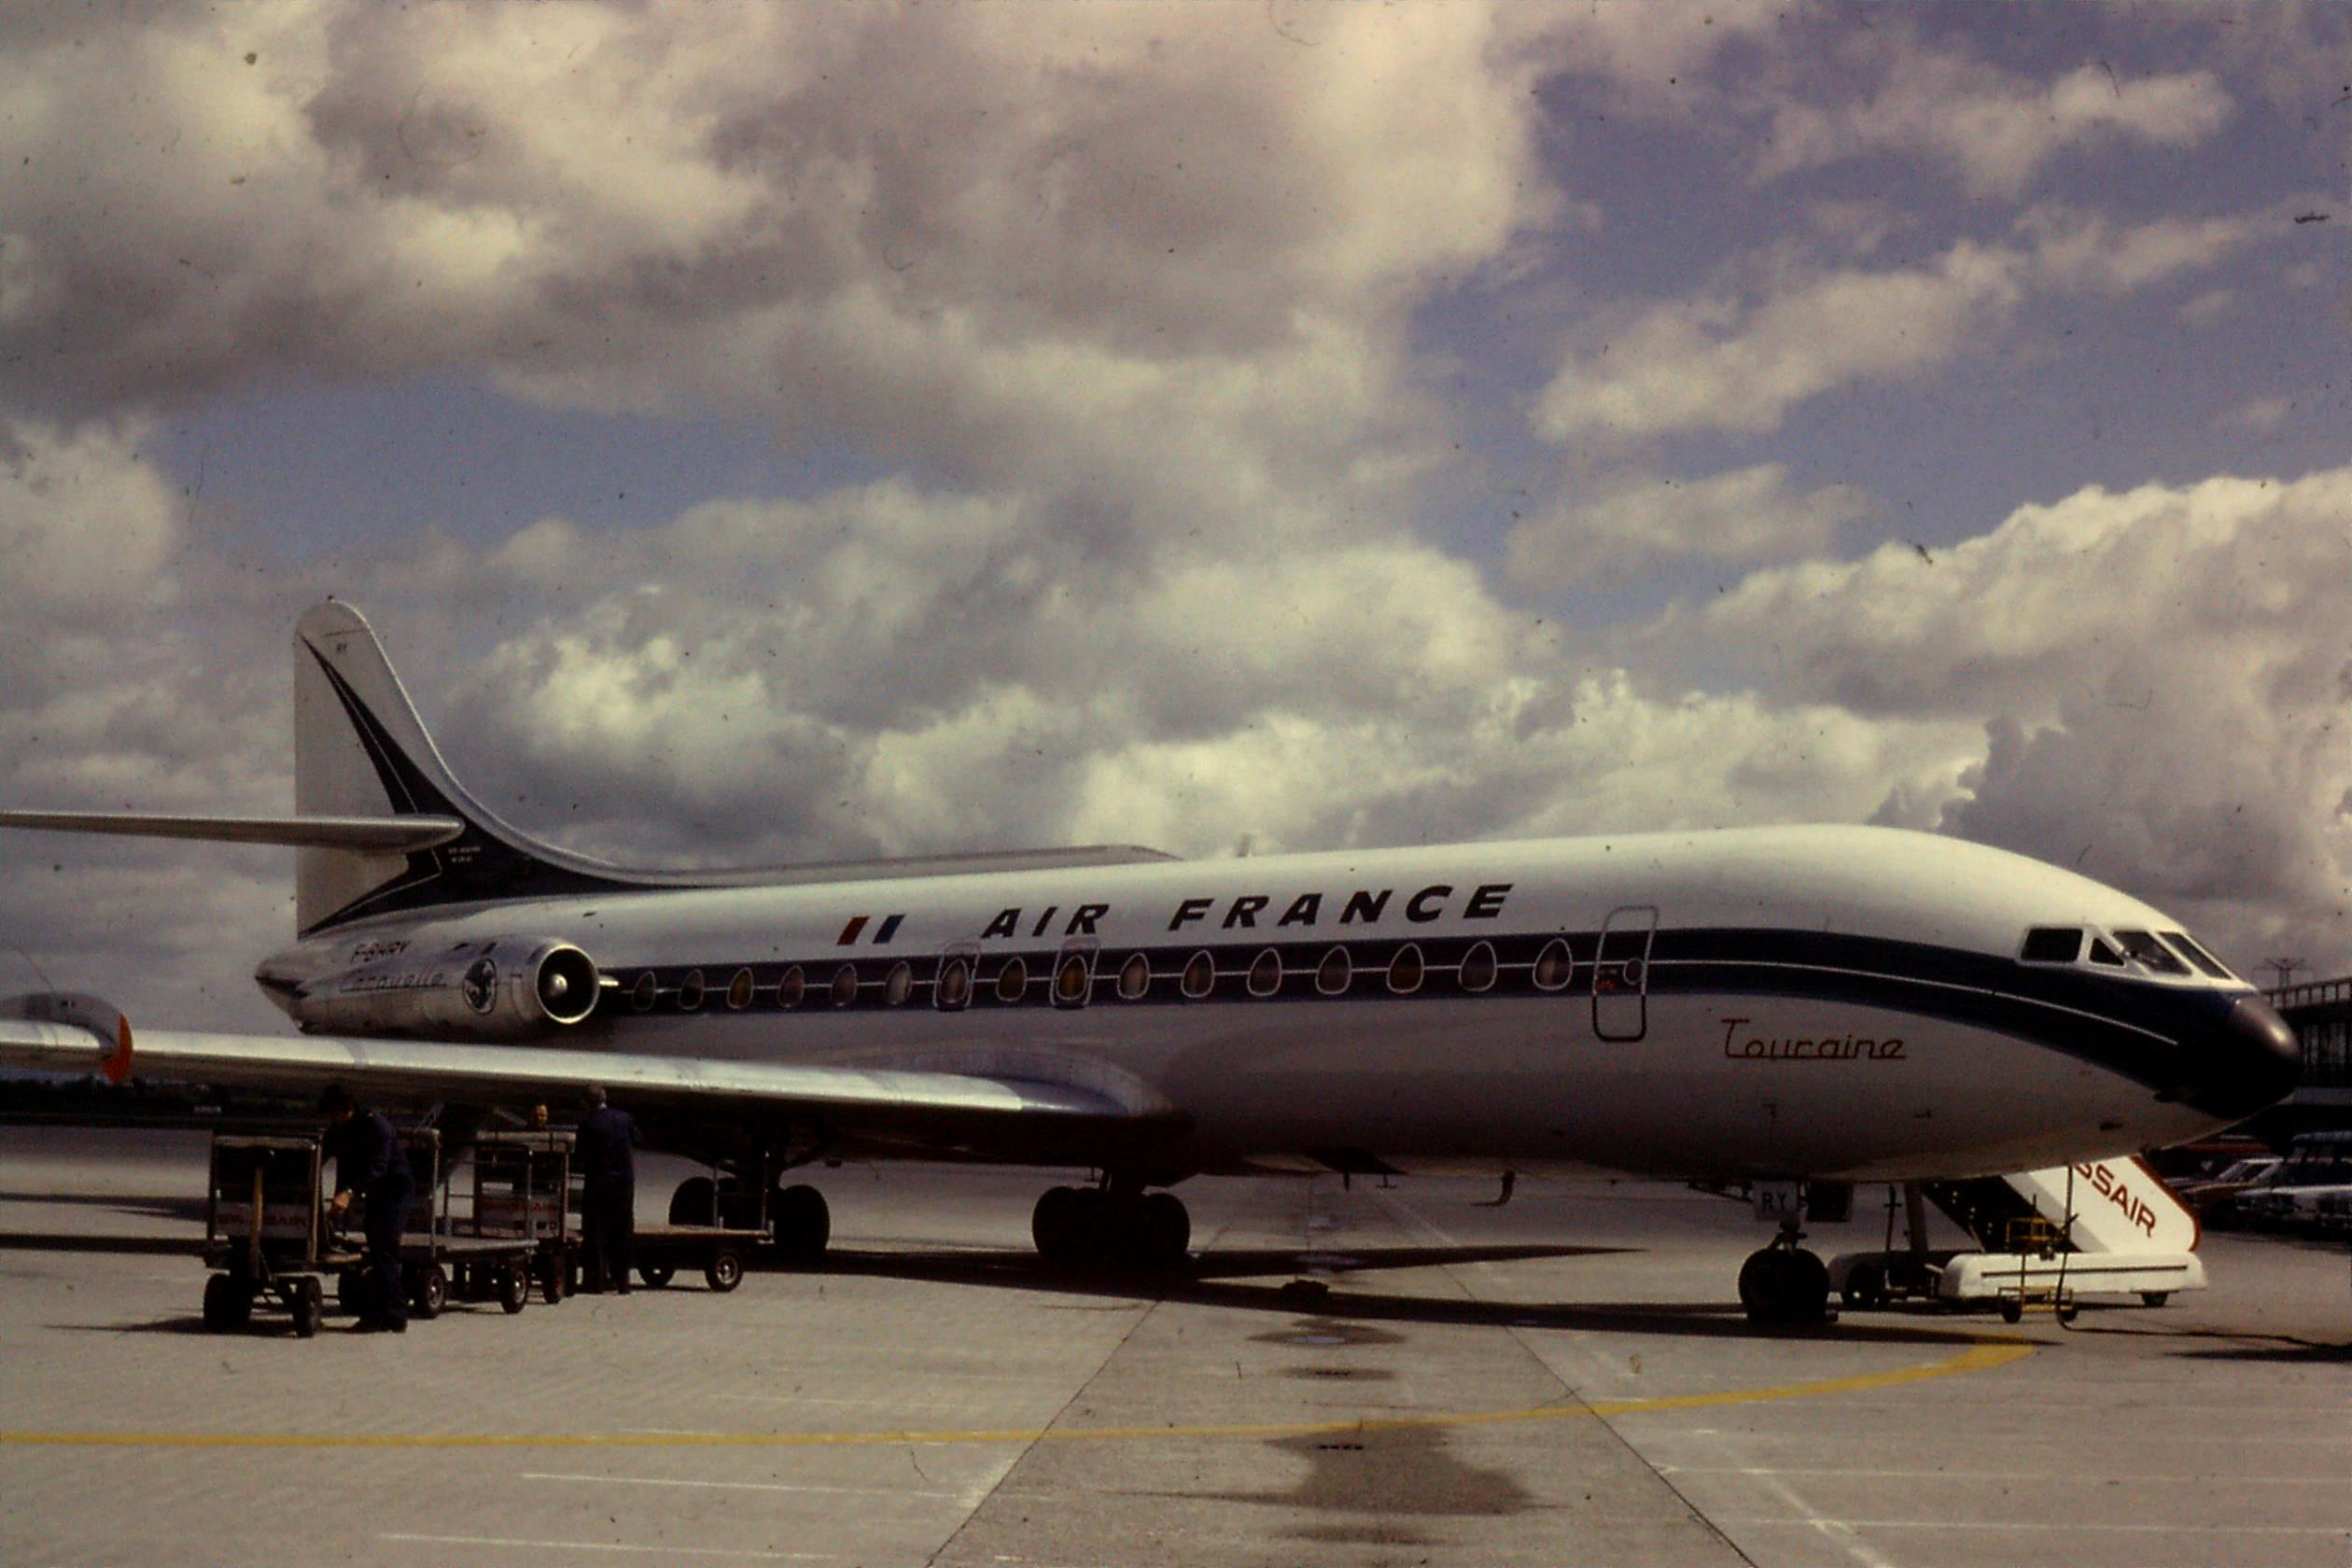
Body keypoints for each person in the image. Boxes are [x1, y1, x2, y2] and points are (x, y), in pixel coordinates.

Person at [320, 1083, 413, 1333]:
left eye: (334, 1115)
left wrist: (349, 1193)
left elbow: (378, 1167)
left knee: (384, 1249)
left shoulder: (377, 1126)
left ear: (348, 1109)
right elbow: (323, 1154)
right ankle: (383, 1310)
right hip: (374, 1191)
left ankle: (394, 1315)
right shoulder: (341, 1128)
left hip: (395, 1190)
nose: (332, 1121)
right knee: (375, 1247)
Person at [574, 1085, 640, 1294]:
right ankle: (622, 1282)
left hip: (599, 1184)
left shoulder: (588, 1123)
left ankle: (596, 1281)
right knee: (622, 1232)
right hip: (623, 1185)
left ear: (587, 1102)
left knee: (596, 1232)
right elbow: (638, 1139)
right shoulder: (624, 1119)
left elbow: (580, 1156)